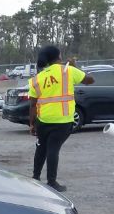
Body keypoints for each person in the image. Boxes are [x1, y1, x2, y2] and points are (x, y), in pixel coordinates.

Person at [29, 45, 93, 192]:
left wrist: (32, 124)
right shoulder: (68, 70)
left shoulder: (37, 78)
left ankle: (35, 178)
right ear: (59, 56)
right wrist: (75, 67)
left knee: (41, 148)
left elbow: (32, 104)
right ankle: (51, 182)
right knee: (53, 149)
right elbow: (90, 80)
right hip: (63, 121)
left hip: (43, 120)